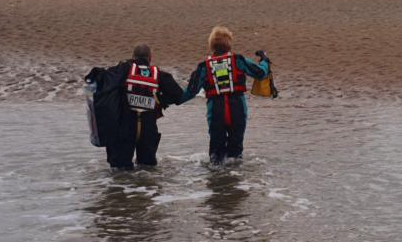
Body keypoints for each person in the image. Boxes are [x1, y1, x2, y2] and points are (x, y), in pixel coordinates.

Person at [181, 26, 270, 165]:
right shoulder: (238, 60)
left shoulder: (204, 66)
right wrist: (264, 59)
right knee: (235, 153)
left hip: (216, 111)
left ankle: (217, 182)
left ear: (212, 45)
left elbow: (190, 92)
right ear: (229, 43)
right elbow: (261, 73)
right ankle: (234, 179)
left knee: (216, 155)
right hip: (238, 110)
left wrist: (169, 99)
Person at [84, 44, 182, 170]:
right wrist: (160, 101)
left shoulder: (123, 69)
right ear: (150, 58)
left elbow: (102, 79)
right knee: (147, 169)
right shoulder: (157, 74)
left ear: (133, 57)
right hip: (148, 129)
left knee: (120, 170)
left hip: (124, 128)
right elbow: (178, 95)